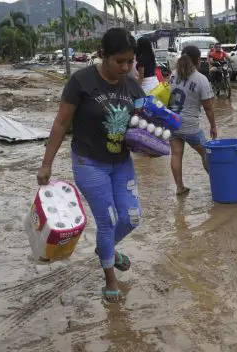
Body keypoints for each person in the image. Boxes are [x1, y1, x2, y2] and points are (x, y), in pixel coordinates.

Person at [36, 28, 144, 303]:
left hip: (121, 163)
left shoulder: (132, 85)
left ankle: (104, 250)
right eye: (119, 61)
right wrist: (46, 163)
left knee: (131, 216)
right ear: (103, 55)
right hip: (89, 163)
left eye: (130, 61)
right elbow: (61, 123)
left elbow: (143, 126)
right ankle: (110, 277)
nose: (125, 66)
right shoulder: (81, 82)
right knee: (107, 221)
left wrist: (151, 144)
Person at [168, 45, 217, 196]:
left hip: (172, 123)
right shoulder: (201, 79)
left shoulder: (172, 75)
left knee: (176, 154)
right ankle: (218, 183)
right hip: (190, 126)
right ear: (197, 60)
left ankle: (179, 187)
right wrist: (213, 126)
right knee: (207, 153)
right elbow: (208, 107)